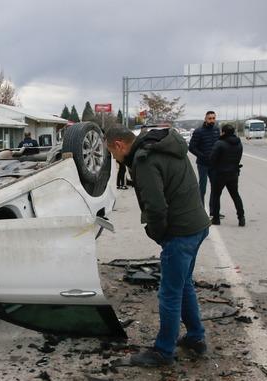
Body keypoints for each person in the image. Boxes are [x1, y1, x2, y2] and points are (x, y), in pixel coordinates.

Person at [105, 124, 212, 367]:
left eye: (113, 154)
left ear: (120, 145)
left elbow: (156, 206)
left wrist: (158, 234)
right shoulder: (166, 146)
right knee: (184, 285)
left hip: (181, 232)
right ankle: (196, 338)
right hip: (197, 225)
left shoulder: (144, 160)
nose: (115, 158)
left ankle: (164, 352)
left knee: (169, 293)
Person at [208, 124, 246, 226]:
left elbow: (212, 159)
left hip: (220, 173)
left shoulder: (219, 143)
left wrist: (213, 167)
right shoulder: (239, 143)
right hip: (233, 173)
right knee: (235, 195)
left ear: (223, 132)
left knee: (216, 196)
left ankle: (216, 219)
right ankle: (241, 218)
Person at [188, 111, 220, 206]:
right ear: (205, 119)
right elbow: (191, 147)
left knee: (215, 187)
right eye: (210, 118)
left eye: (213, 118)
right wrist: (202, 156)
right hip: (203, 164)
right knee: (202, 187)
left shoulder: (216, 130)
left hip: (214, 164)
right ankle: (201, 209)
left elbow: (219, 145)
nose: (212, 120)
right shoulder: (198, 131)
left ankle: (214, 211)